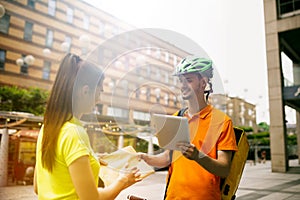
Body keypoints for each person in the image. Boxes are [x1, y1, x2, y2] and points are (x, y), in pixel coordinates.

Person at [34, 53, 141, 200]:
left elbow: (37, 186)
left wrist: (91, 158)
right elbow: (92, 199)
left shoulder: (47, 128)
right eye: (100, 91)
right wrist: (123, 181)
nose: (99, 99)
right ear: (85, 91)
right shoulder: (75, 133)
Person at [140, 56, 238, 199]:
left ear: (203, 83)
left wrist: (197, 156)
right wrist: (145, 158)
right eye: (181, 81)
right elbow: (168, 157)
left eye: (189, 80)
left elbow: (224, 169)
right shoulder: (176, 117)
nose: (183, 85)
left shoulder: (221, 121)